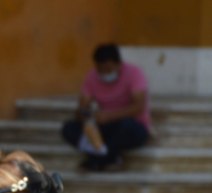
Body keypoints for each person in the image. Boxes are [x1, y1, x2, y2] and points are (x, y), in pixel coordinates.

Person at [60, 43, 150, 172]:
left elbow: (139, 107)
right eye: (100, 69)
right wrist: (85, 118)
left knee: (126, 126)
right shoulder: (92, 77)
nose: (104, 73)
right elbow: (83, 107)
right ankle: (110, 157)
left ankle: (95, 161)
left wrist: (109, 116)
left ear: (118, 64)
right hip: (105, 126)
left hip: (132, 126)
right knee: (69, 129)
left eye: (108, 69)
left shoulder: (134, 73)